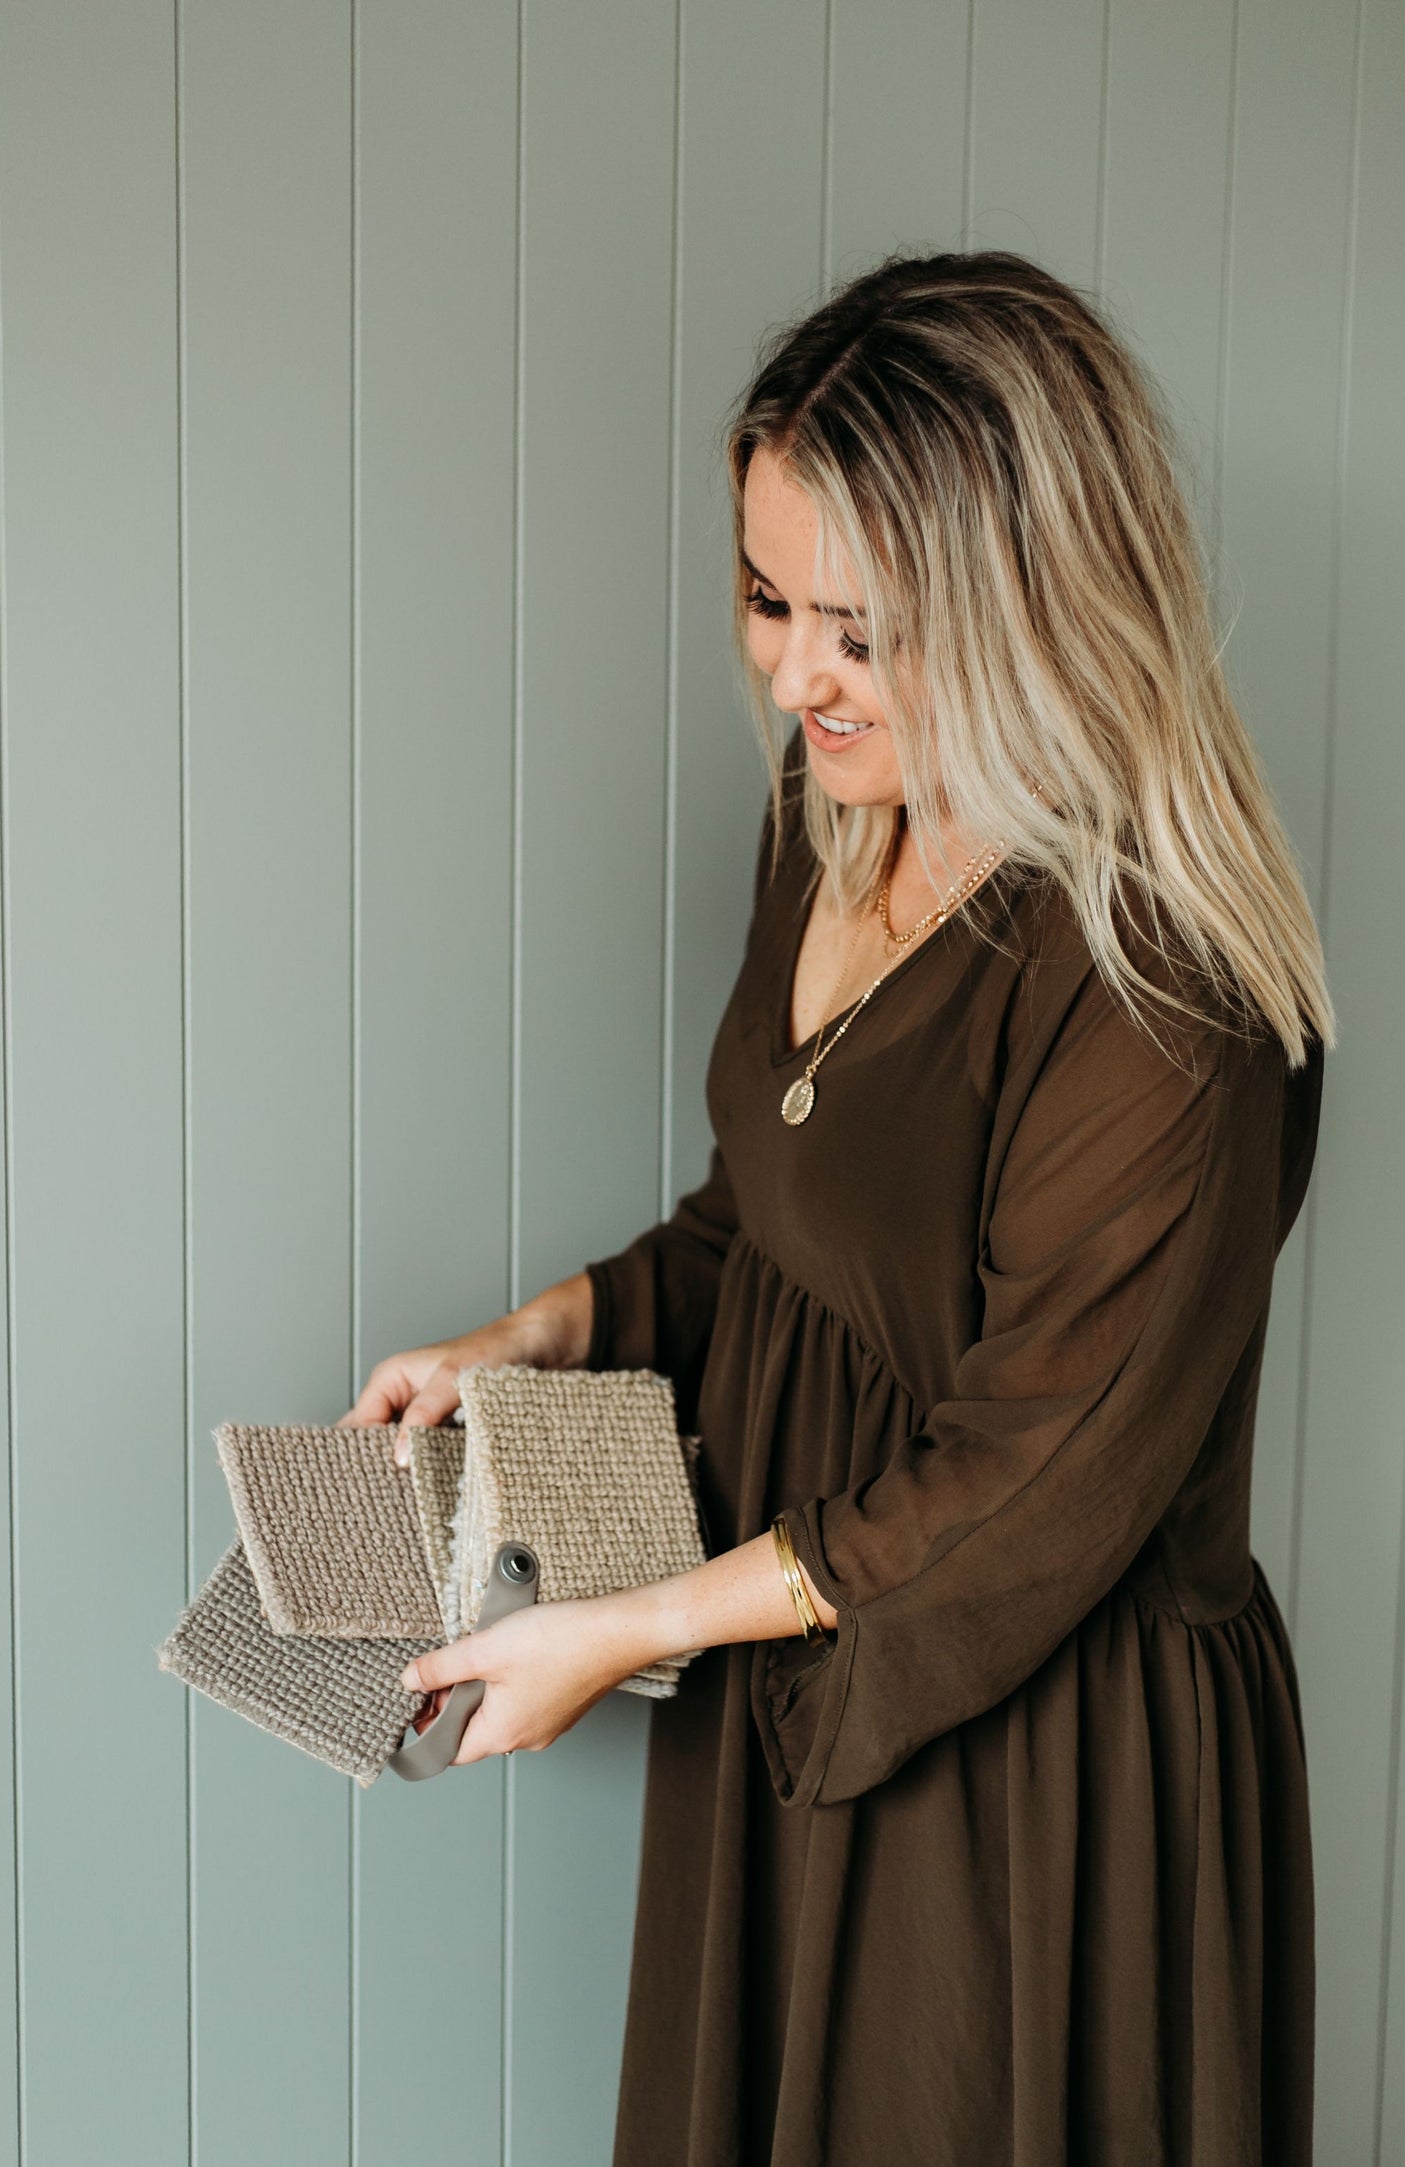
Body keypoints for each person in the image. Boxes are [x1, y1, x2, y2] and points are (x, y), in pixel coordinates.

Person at [341, 250, 1332, 2167]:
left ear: (1041, 612)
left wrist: (625, 1630)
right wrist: (531, 1336)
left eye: (860, 629)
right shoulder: (836, 813)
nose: (795, 674)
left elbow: (1030, 1474)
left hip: (1031, 1758)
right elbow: (769, 1223)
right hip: (791, 1649)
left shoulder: (1169, 990)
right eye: (768, 597)